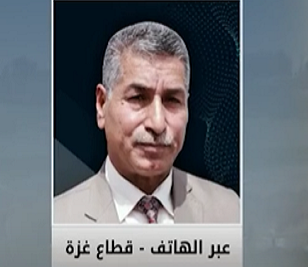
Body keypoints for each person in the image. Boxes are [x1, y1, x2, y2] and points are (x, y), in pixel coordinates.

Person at [53, 21, 240, 224]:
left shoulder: (229, 211)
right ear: (102, 104)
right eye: (138, 98)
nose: (158, 124)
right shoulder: (58, 222)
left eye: (172, 100)